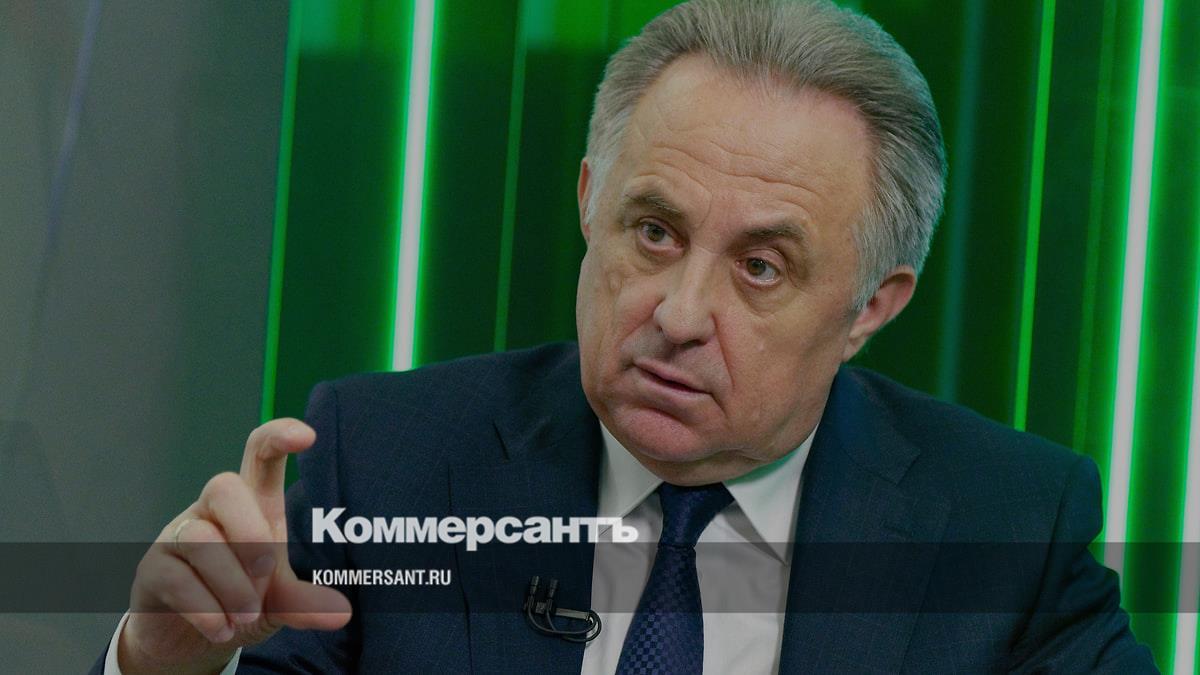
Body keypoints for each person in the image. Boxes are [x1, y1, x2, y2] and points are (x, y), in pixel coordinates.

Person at [95, 0, 1159, 672]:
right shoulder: (384, 464)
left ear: (873, 306)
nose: (680, 315)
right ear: (588, 202)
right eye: (654, 232)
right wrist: (162, 664)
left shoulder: (1008, 527)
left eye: (761, 266)